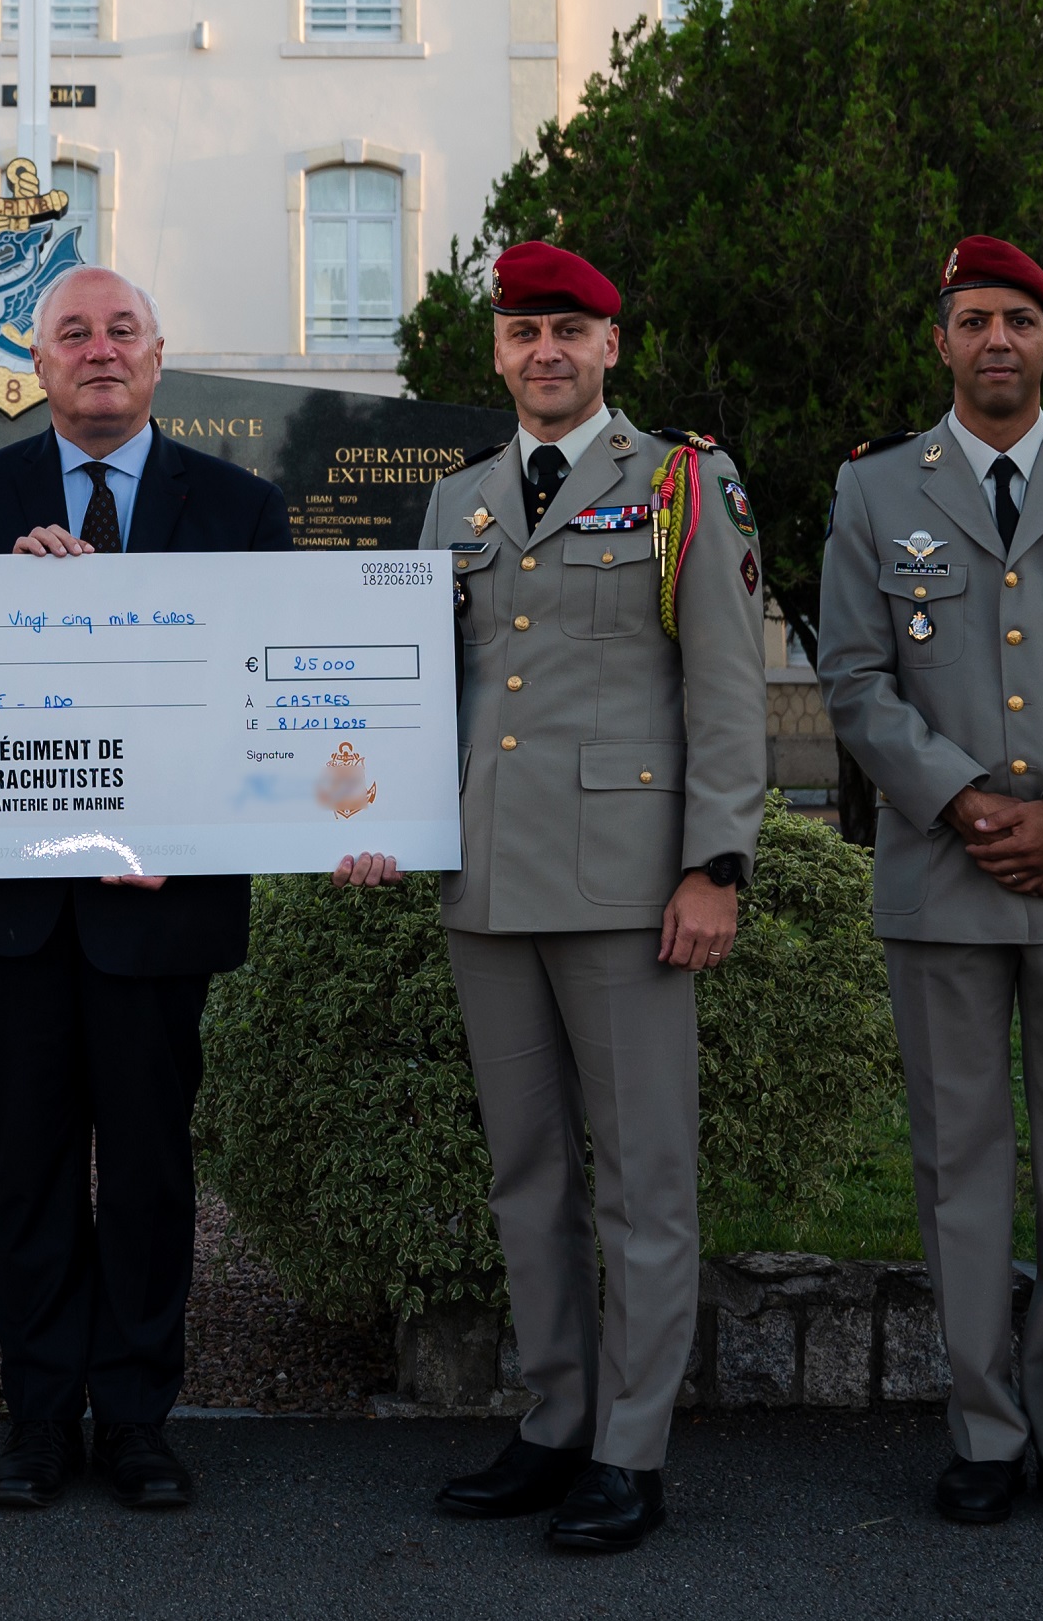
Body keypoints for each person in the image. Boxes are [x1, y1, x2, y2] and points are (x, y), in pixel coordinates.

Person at [333, 241, 771, 1555]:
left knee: (643, 1180)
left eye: (570, 330)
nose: (547, 351)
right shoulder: (458, 502)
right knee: (527, 1175)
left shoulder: (685, 485)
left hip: (633, 884)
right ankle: (553, 1417)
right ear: (499, 350)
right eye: (524, 330)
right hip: (487, 876)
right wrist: (369, 820)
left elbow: (730, 690)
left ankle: (630, 1452)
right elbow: (421, 694)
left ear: (610, 348)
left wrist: (717, 863)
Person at [815, 235, 1043, 1533]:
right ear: (942, 339)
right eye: (974, 317)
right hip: (948, 870)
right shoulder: (875, 491)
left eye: (1020, 320)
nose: (996, 340)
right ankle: (983, 1428)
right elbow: (856, 680)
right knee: (958, 1166)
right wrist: (974, 803)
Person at [0, 265, 289, 1515]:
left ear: (159, 353)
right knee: (24, 1171)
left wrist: (212, 823)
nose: (99, 350)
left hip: (158, 908)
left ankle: (134, 1418)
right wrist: (8, 617)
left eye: (120, 329)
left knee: (145, 1172)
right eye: (71, 333)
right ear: (39, 361)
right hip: (18, 907)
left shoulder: (238, 508)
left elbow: (268, 707)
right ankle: (33, 1422)